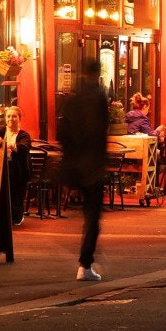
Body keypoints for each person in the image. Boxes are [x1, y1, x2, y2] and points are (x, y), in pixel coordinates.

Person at [59, 56, 110, 281]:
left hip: (76, 163)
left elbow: (63, 132)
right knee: (92, 216)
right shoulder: (98, 96)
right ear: (97, 73)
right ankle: (85, 263)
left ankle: (87, 259)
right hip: (93, 165)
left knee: (87, 216)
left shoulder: (73, 99)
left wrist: (71, 156)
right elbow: (99, 131)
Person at [0, 106, 32, 226]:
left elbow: (24, 148)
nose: (11, 118)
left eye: (14, 116)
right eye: (9, 116)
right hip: (2, 168)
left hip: (18, 170)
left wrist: (9, 145)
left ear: (19, 118)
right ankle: (3, 218)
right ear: (5, 118)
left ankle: (16, 218)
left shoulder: (24, 135)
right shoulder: (0, 131)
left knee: (15, 193)